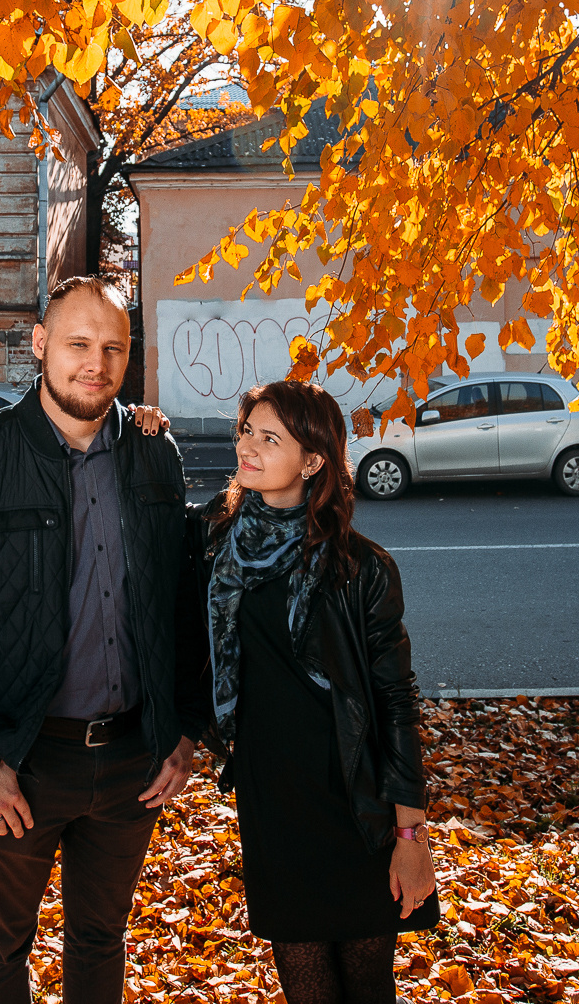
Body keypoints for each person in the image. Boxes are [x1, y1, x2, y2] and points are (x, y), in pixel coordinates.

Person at [0, 273, 206, 1004]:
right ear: (39, 345)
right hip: (19, 761)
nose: (96, 363)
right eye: (79, 344)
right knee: (0, 946)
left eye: (113, 347)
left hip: (131, 762)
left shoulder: (156, 454)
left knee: (101, 937)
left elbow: (184, 606)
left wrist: (184, 728)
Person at [196, 378, 438, 1003]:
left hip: (354, 804)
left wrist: (411, 835)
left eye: (269, 438)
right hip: (273, 801)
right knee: (306, 989)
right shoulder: (212, 546)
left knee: (365, 983)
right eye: (246, 431)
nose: (247, 447)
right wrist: (139, 421)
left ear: (312, 461)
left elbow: (395, 701)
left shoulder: (361, 568)